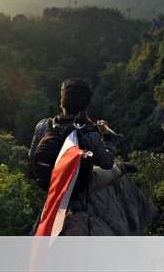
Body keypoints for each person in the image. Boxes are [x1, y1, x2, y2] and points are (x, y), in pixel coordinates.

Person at [28, 78, 136, 235]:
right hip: (78, 189)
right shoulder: (88, 132)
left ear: (62, 102)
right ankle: (123, 167)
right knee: (112, 169)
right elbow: (106, 162)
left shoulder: (43, 126)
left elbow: (32, 158)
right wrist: (105, 136)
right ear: (85, 106)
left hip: (50, 185)